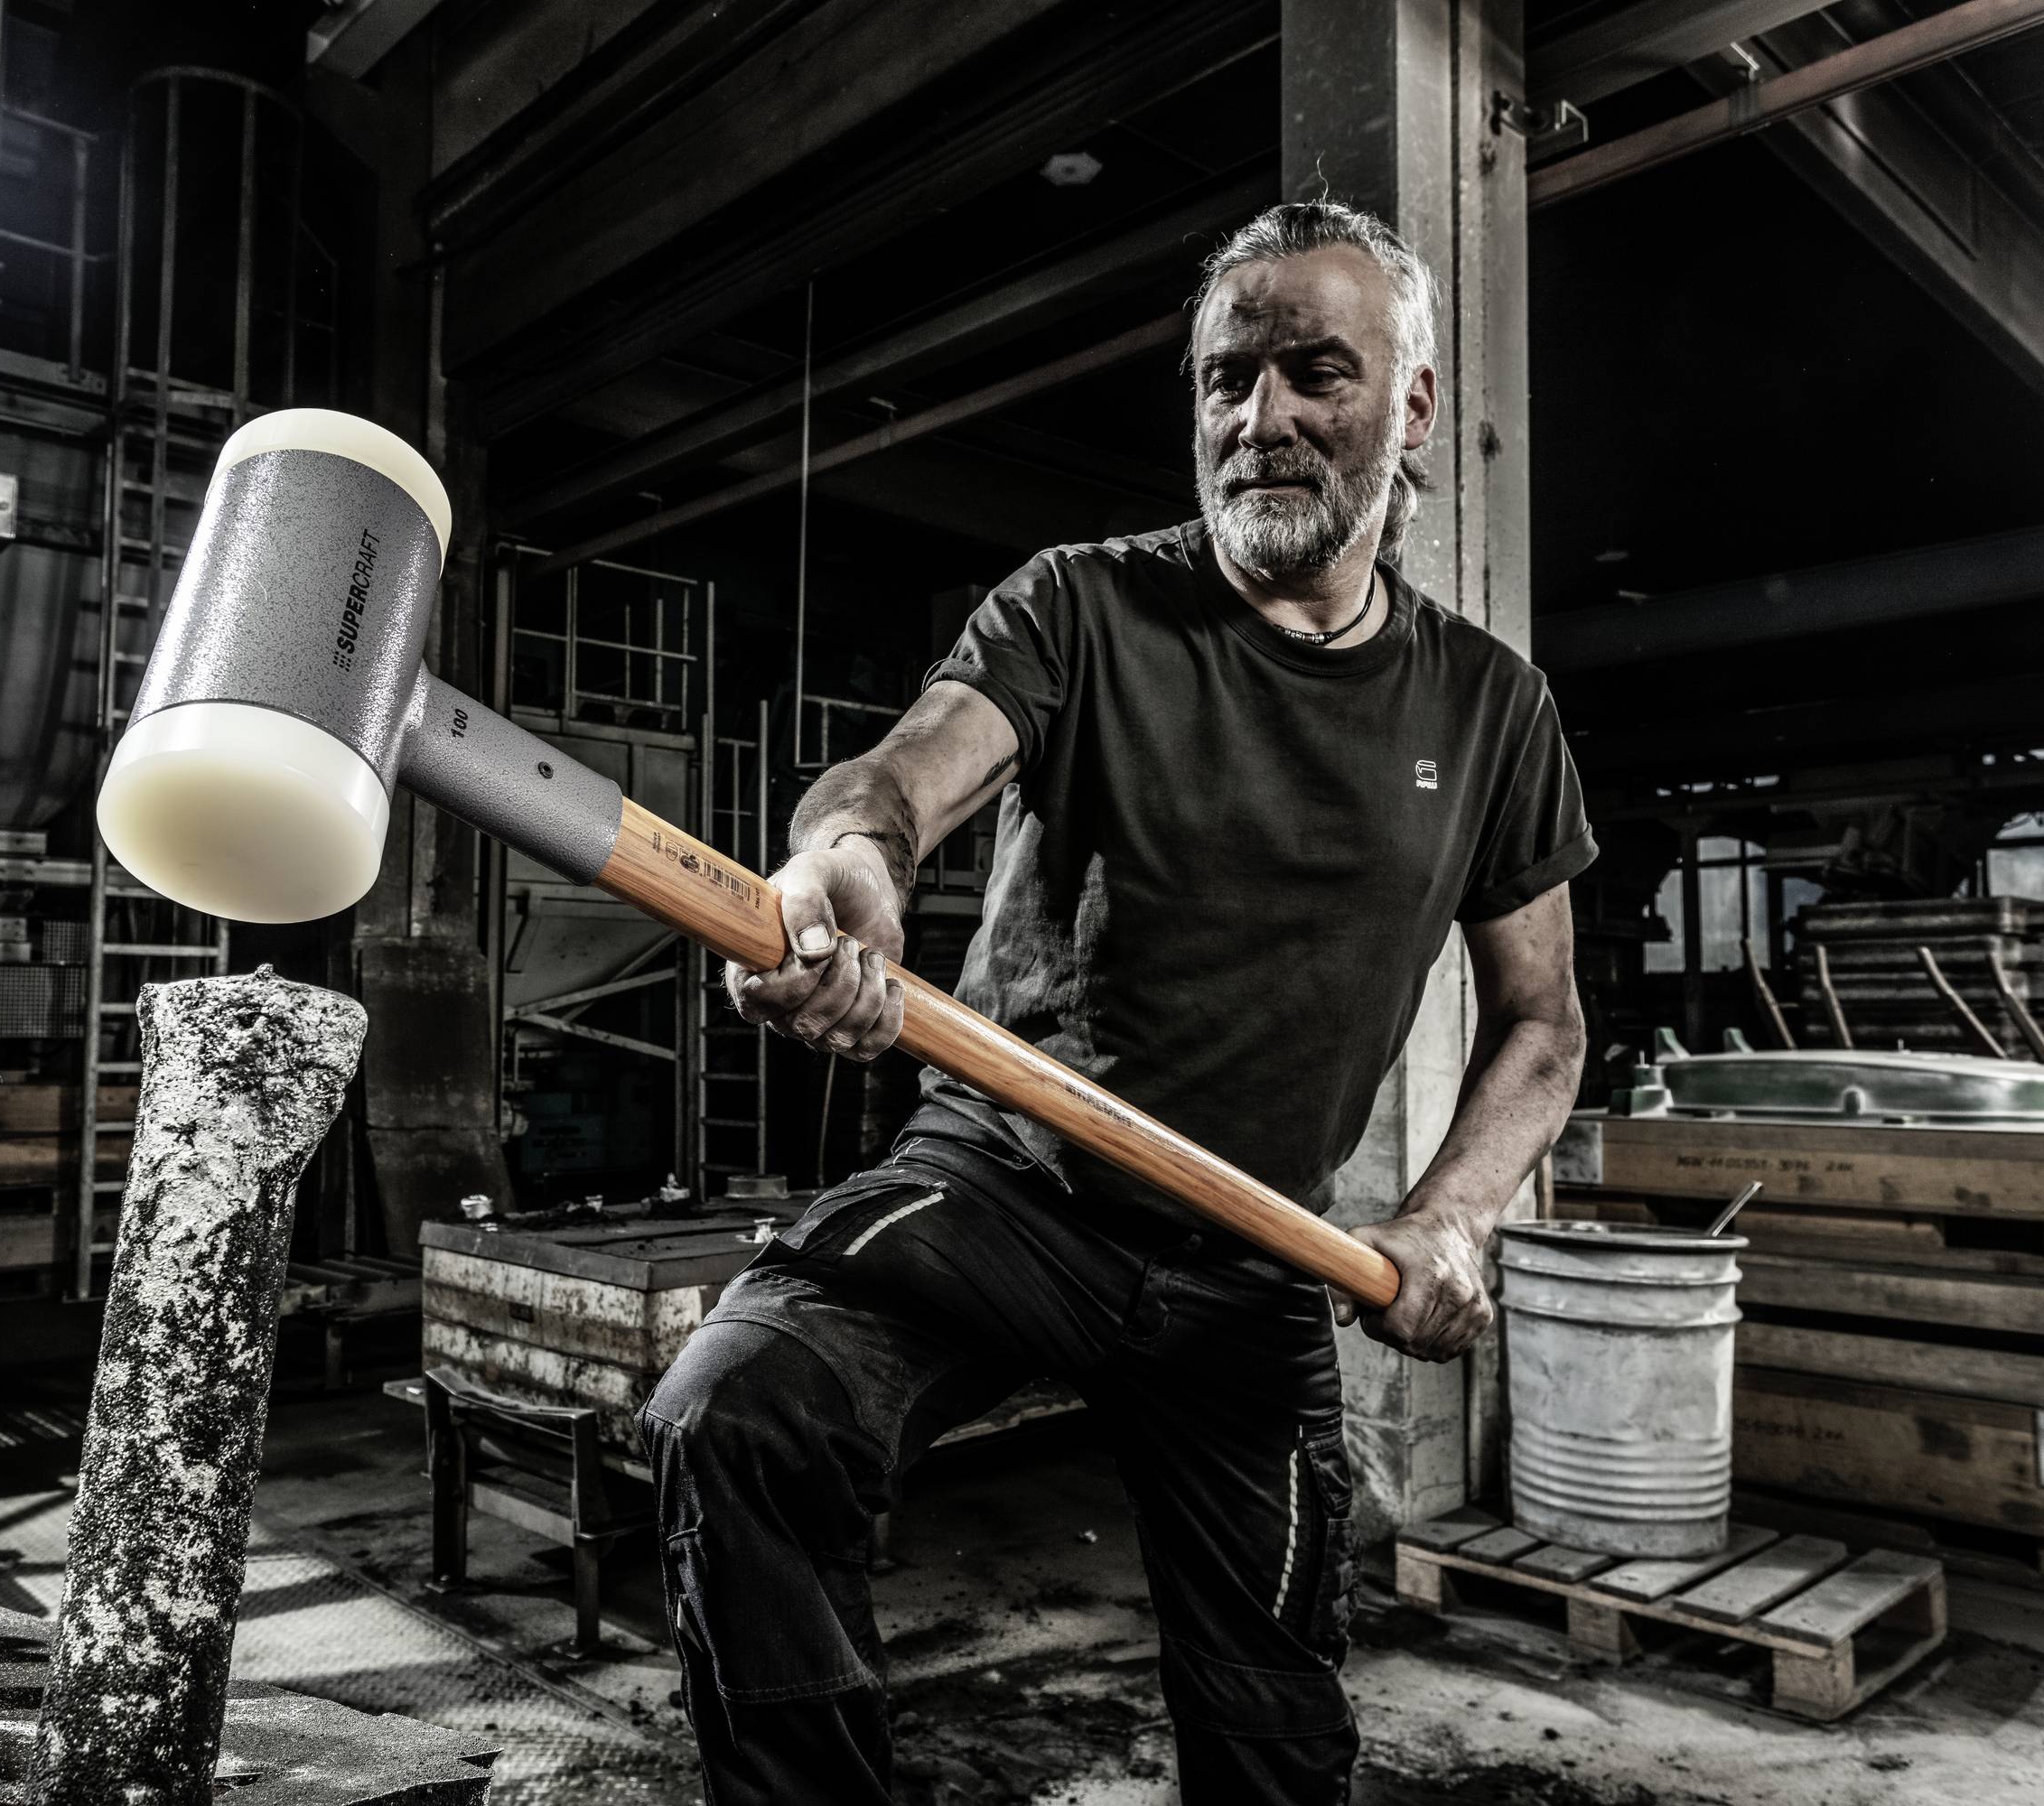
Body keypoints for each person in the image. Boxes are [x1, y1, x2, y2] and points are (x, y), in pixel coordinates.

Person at [642, 200, 1592, 1804]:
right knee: (740, 1410)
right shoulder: (1084, 605)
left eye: (1315, 374)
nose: (1262, 420)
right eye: (1227, 381)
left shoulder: (1492, 707)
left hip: (1254, 1252)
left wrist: (1450, 1220)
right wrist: (847, 862)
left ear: (1413, 406)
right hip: (1011, 1187)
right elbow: (893, 784)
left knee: (1280, 1737)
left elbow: (1543, 1025)